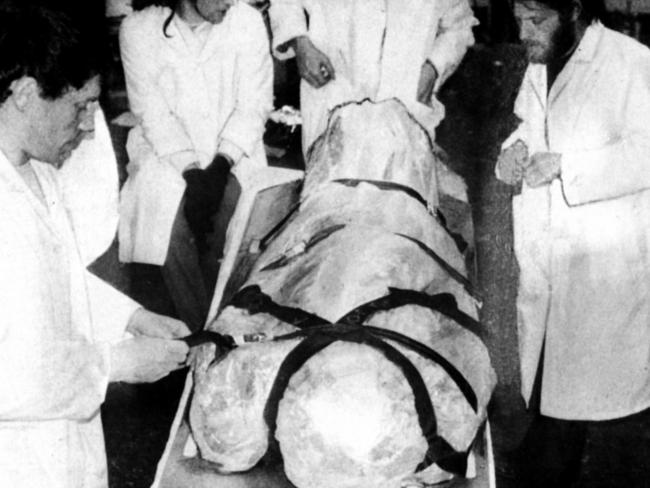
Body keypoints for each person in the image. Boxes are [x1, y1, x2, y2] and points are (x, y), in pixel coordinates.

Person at [0, 4, 191, 487]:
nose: (90, 126)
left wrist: (130, 318)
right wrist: (114, 364)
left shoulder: (38, 170)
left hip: (65, 447)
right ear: (24, 94)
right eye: (80, 106)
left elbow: (54, 280)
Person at [496, 0, 650, 485]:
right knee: (547, 404)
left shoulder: (630, 62)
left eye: (536, 19)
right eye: (519, 18)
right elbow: (526, 125)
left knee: (609, 419)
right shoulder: (541, 63)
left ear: (575, 11)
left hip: (603, 272)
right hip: (547, 262)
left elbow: (646, 152)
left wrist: (568, 167)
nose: (524, 31)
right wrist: (511, 155)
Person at [118, 0, 273, 331]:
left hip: (235, 155)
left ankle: (225, 331)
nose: (232, 1)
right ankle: (203, 336)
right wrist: (190, 170)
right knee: (171, 227)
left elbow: (254, 106)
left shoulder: (247, 22)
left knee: (233, 222)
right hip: (165, 157)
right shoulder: (138, 29)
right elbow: (152, 113)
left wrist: (219, 166)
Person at [268, 0, 477, 155]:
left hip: (405, 109)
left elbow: (459, 25)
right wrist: (300, 43)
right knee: (332, 206)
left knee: (399, 207)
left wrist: (432, 69)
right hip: (333, 97)